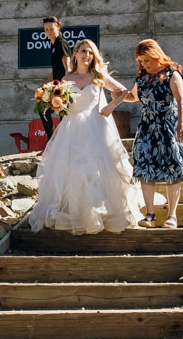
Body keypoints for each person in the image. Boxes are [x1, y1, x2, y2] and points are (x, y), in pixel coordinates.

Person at [27, 38, 138, 233]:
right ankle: (74, 212)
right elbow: (60, 104)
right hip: (72, 128)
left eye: (90, 52)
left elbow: (122, 91)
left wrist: (110, 107)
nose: (87, 55)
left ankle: (101, 213)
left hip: (96, 126)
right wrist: (52, 103)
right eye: (83, 51)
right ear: (76, 54)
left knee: (97, 169)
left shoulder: (98, 76)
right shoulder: (66, 80)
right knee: (72, 170)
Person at [114, 39, 183, 227]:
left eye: (146, 60)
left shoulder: (172, 74)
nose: (144, 64)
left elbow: (181, 99)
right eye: (140, 61)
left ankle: (172, 216)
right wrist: (120, 96)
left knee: (172, 168)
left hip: (169, 126)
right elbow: (134, 96)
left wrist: (181, 124)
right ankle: (150, 215)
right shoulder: (142, 77)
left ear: (156, 55)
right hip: (147, 127)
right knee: (145, 168)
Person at [40, 17, 72, 141]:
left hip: (62, 85)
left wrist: (67, 81)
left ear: (58, 27)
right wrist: (45, 84)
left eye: (51, 28)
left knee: (61, 113)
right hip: (56, 83)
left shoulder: (60, 42)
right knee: (45, 110)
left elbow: (66, 61)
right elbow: (56, 69)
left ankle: (56, 143)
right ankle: (54, 142)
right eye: (46, 29)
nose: (49, 31)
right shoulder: (53, 43)